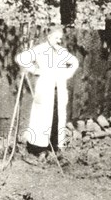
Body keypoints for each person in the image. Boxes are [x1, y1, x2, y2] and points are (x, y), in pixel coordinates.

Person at [15, 25, 79, 158]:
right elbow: (21, 58)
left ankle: (54, 148)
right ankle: (39, 149)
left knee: (57, 118)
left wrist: (66, 75)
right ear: (49, 38)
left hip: (59, 91)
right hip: (45, 90)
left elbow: (74, 62)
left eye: (60, 39)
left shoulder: (62, 51)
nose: (59, 41)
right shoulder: (41, 49)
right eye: (56, 38)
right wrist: (35, 70)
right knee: (42, 119)